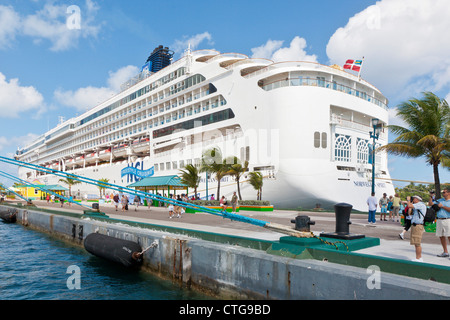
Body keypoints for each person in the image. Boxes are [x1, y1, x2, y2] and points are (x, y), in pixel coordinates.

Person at [429, 187, 450, 258]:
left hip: (448, 220)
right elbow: (430, 204)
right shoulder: (440, 200)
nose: (443, 193)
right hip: (439, 220)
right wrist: (431, 197)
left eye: (444, 192)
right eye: (443, 192)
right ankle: (445, 252)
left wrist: (442, 206)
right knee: (441, 236)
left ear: (449, 193)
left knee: (449, 236)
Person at [407, 195, 427, 262]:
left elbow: (409, 205)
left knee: (417, 243)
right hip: (415, 225)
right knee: (415, 242)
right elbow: (409, 213)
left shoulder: (420, 204)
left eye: (413, 199)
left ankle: (419, 258)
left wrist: (408, 200)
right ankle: (418, 257)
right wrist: (411, 206)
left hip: (418, 226)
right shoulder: (416, 206)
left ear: (416, 199)